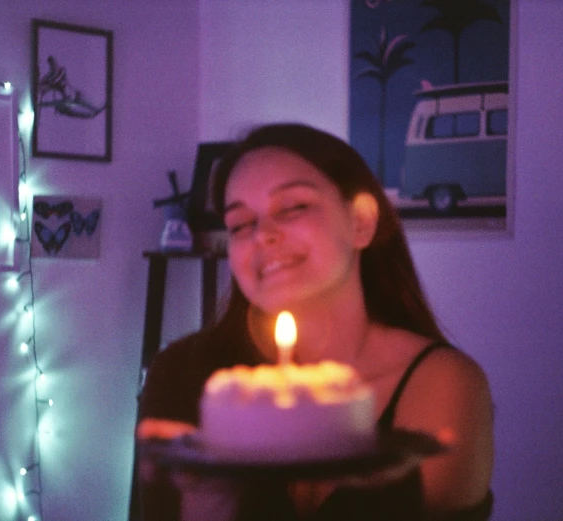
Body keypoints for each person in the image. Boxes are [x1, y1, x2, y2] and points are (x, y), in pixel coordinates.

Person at [137, 123, 494, 521]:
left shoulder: (442, 383)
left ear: (361, 222)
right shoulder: (183, 374)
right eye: (239, 224)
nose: (262, 236)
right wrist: (209, 502)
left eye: (292, 208)